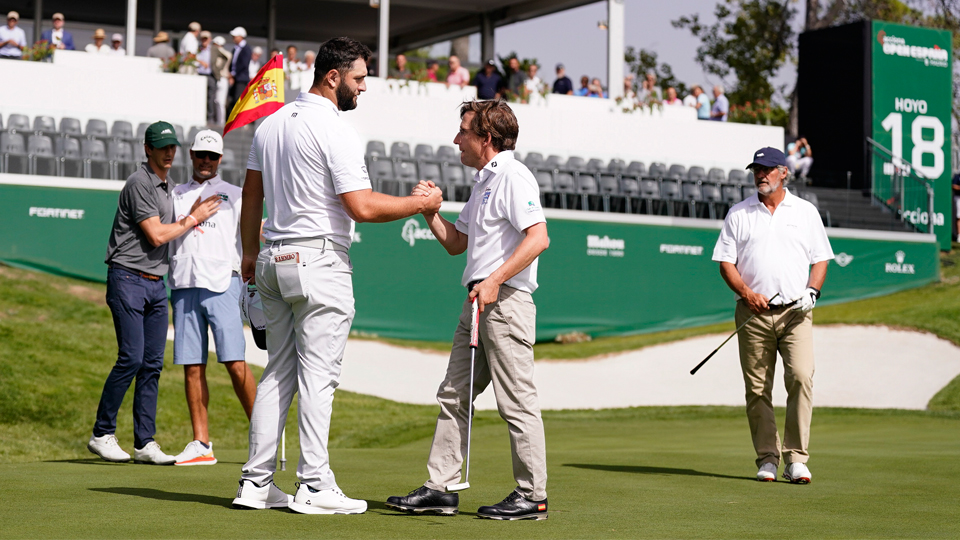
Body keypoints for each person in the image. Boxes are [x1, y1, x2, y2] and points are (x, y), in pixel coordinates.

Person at [232, 36, 443, 514]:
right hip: (318, 263)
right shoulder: (336, 129)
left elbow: (251, 197)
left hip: (272, 260)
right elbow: (362, 207)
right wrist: (421, 203)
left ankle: (256, 483)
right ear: (333, 77)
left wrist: (248, 253)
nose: (363, 87)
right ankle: (314, 484)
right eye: (359, 78)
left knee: (278, 372)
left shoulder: (268, 124)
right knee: (319, 377)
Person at [386, 99, 550, 521]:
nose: (456, 138)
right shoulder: (483, 183)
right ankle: (440, 489)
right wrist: (430, 212)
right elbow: (456, 243)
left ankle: (533, 495)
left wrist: (495, 280)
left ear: (486, 138)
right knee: (454, 395)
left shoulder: (513, 175)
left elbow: (538, 238)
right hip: (478, 302)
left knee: (516, 402)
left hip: (505, 300)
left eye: (464, 131)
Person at [88, 121, 222, 464]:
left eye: (172, 147)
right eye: (162, 147)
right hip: (127, 278)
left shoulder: (171, 188)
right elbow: (157, 235)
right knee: (131, 358)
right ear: (148, 149)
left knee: (151, 365)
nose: (168, 153)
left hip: (155, 284)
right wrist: (194, 217)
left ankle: (144, 443)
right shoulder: (139, 183)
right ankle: (102, 434)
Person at [712, 147, 833, 485]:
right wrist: (747, 293)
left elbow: (821, 258)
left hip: (796, 313)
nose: (760, 175)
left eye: (767, 169)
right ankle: (767, 457)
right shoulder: (739, 213)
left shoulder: (805, 211)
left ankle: (796, 459)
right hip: (753, 314)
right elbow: (726, 263)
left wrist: (812, 291)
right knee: (757, 388)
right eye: (756, 170)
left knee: (801, 377)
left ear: (783, 172)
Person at [169, 130, 256, 467]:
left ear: (220, 159)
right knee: (192, 366)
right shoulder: (175, 194)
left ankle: (263, 436)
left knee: (235, 362)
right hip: (184, 283)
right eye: (201, 154)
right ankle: (201, 443)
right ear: (191, 155)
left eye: (212, 156)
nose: (206, 160)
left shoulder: (235, 194)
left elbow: (250, 233)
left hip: (222, 282)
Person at [227, 27, 252, 116]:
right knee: (231, 99)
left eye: (235, 36)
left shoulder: (246, 49)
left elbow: (244, 64)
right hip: (234, 78)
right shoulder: (235, 48)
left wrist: (233, 75)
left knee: (237, 100)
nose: (233, 38)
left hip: (241, 79)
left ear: (241, 36)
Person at [196, 31, 216, 124]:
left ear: (209, 39)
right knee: (200, 96)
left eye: (206, 39)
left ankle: (210, 117)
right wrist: (201, 62)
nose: (204, 41)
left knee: (210, 97)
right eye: (203, 39)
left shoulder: (213, 50)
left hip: (210, 75)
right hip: (200, 75)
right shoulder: (197, 49)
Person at [212, 36, 232, 125]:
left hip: (222, 78)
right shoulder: (224, 53)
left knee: (220, 102)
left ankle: (221, 122)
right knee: (216, 101)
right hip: (217, 78)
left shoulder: (225, 54)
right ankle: (218, 121)